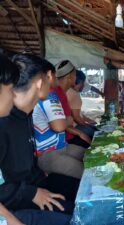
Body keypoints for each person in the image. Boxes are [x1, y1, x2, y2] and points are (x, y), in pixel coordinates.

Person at [0, 54, 77, 224]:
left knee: (79, 190)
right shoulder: (4, 119)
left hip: (34, 184)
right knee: (78, 215)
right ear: (43, 81)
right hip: (17, 200)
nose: (12, 95)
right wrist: (31, 193)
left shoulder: (25, 114)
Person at [33, 63, 84, 179]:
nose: (58, 79)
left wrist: (65, 120)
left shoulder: (50, 93)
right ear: (50, 75)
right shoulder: (50, 95)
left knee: (91, 155)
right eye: (56, 76)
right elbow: (59, 126)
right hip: (48, 154)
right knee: (85, 173)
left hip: (61, 146)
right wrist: (66, 120)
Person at [55, 60, 91, 149]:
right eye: (75, 75)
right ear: (70, 77)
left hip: (68, 135)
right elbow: (61, 124)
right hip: (62, 141)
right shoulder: (56, 94)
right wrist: (80, 133)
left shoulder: (62, 93)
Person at [66, 70, 98, 138]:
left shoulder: (68, 91)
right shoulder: (74, 94)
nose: (83, 85)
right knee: (97, 132)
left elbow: (77, 113)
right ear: (78, 81)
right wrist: (87, 125)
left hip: (70, 126)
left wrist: (87, 119)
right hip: (74, 127)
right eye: (83, 83)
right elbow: (76, 117)